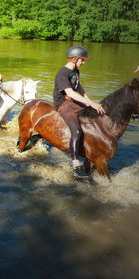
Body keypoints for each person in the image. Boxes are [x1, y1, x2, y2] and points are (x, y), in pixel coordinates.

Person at [53, 46, 105, 180]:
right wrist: (89, 103)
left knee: (95, 118)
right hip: (63, 103)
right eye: (83, 60)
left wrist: (91, 102)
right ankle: (76, 163)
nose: (84, 62)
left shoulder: (75, 70)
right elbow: (69, 92)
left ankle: (91, 152)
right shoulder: (62, 73)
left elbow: (79, 88)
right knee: (76, 131)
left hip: (74, 101)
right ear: (75, 59)